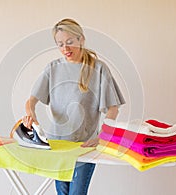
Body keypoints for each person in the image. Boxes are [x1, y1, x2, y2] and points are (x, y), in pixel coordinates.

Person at [22, 18, 125, 195]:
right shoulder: (52, 68)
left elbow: (113, 108)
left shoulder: (98, 69)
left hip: (84, 147)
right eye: (60, 44)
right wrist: (30, 114)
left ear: (81, 39)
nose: (65, 49)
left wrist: (102, 136)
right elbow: (31, 100)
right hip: (57, 146)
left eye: (70, 42)